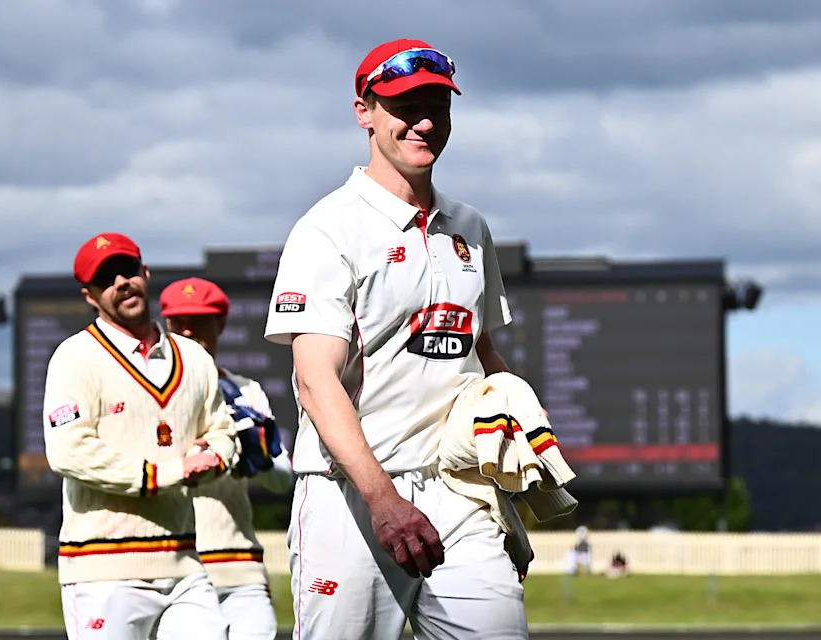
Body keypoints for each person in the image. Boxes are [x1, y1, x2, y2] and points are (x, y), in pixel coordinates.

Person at [265, 39, 526, 639]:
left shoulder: (471, 227)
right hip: (350, 494)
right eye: (406, 106)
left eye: (438, 105)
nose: (426, 122)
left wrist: (511, 458)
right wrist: (384, 502)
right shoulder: (328, 226)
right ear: (365, 111)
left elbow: (481, 355)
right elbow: (314, 378)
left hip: (459, 492)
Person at [43, 233, 237, 640]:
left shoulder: (195, 358)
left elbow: (221, 431)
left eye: (127, 271)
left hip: (184, 564)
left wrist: (216, 459)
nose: (121, 283)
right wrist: (166, 474)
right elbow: (69, 451)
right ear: (90, 296)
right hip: (102, 573)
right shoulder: (75, 357)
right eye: (106, 279)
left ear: (145, 273)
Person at [159, 277, 293, 640]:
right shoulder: (151, 393)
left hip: (240, 565)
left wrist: (253, 451)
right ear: (166, 324)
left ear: (220, 323)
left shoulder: (246, 391)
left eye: (200, 319)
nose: (189, 329)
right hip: (175, 565)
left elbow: (283, 480)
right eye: (179, 320)